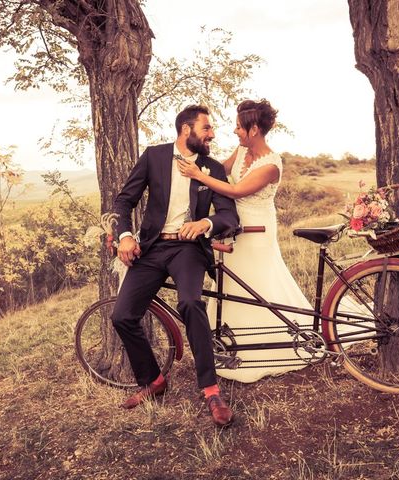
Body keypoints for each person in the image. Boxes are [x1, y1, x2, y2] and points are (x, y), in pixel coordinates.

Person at [111, 105, 240, 426]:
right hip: (152, 248)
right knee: (122, 316)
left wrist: (206, 224)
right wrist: (125, 236)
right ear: (187, 130)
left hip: (189, 250)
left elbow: (228, 215)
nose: (212, 134)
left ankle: (210, 390)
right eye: (207, 128)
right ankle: (153, 381)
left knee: (190, 303)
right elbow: (124, 201)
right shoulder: (154, 157)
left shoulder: (212, 168)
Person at [176, 99, 313, 383]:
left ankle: (267, 344)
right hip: (234, 228)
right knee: (233, 283)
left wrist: (198, 175)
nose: (235, 131)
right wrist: (192, 161)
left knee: (256, 284)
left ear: (253, 129)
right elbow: (219, 170)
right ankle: (230, 341)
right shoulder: (241, 151)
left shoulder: (271, 164)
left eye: (239, 127)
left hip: (259, 231)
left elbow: (237, 190)